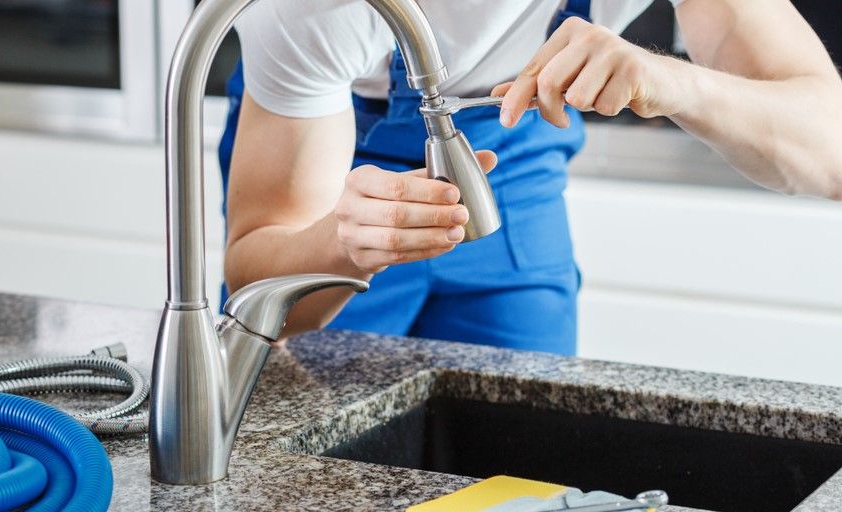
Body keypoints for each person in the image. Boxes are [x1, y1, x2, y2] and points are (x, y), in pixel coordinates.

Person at [217, 0, 842, 354]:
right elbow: (259, 285)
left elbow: (829, 150)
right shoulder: (310, 11)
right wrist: (340, 245)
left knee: (531, 453)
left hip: (512, 163)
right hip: (341, 178)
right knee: (299, 448)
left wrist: (677, 81)